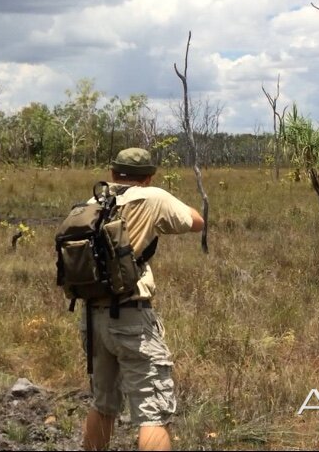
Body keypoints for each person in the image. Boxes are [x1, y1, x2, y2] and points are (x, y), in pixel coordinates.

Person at [80, 147, 205, 452]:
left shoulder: (93, 202)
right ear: (148, 176)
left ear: (112, 174)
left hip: (92, 318)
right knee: (152, 410)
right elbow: (197, 221)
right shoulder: (152, 197)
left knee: (103, 403)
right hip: (131, 317)